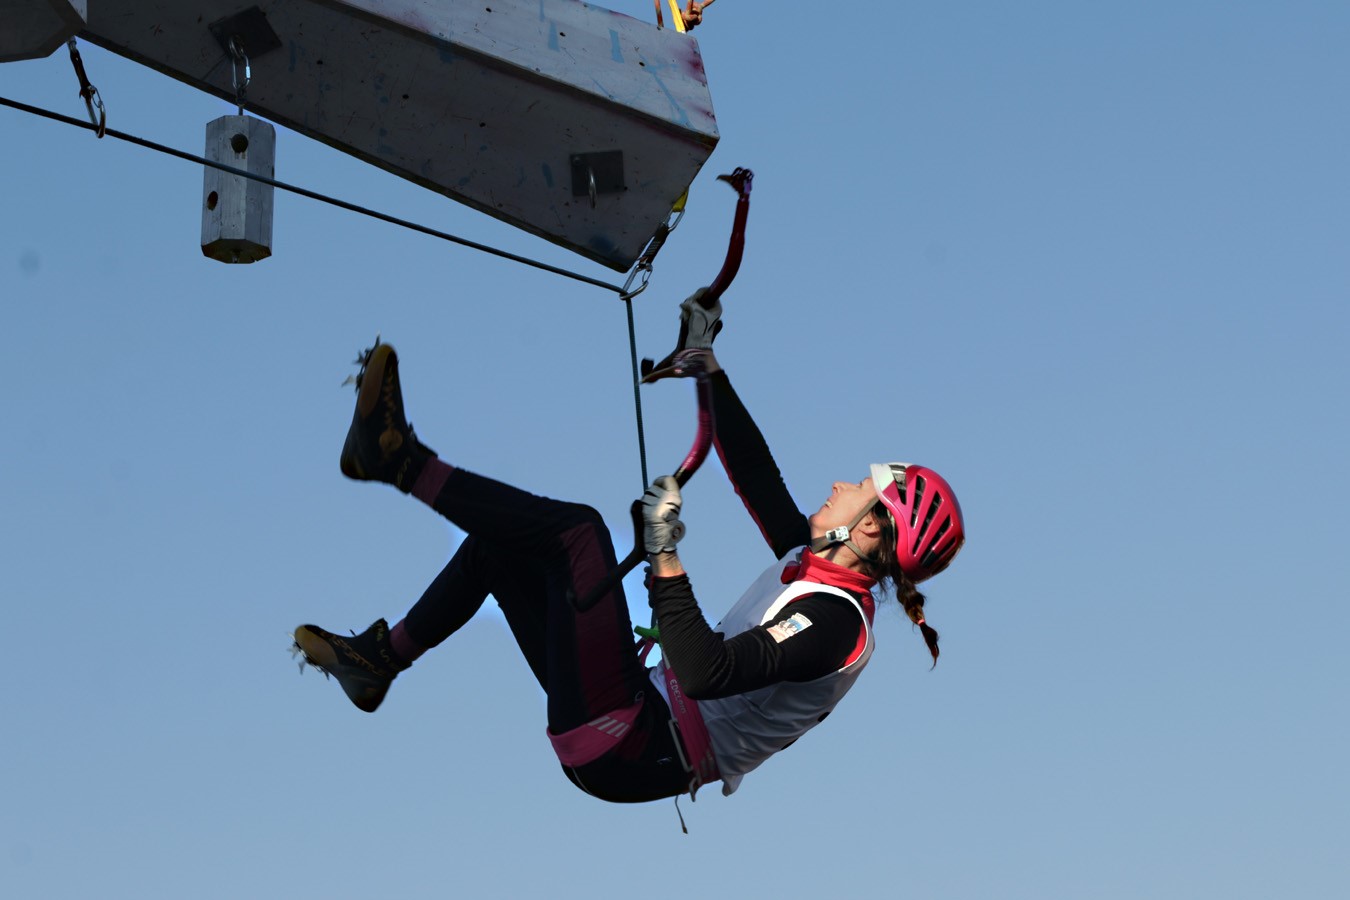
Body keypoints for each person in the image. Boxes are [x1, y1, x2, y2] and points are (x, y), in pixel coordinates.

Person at [293, 292, 965, 802]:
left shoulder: (835, 624)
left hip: (634, 745)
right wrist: (710, 369)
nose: (840, 483)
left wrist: (665, 554)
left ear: (870, 529)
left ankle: (397, 460)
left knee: (579, 534)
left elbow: (707, 674)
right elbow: (757, 476)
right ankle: (378, 661)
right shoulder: (816, 569)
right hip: (632, 722)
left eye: (859, 488)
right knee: (502, 546)